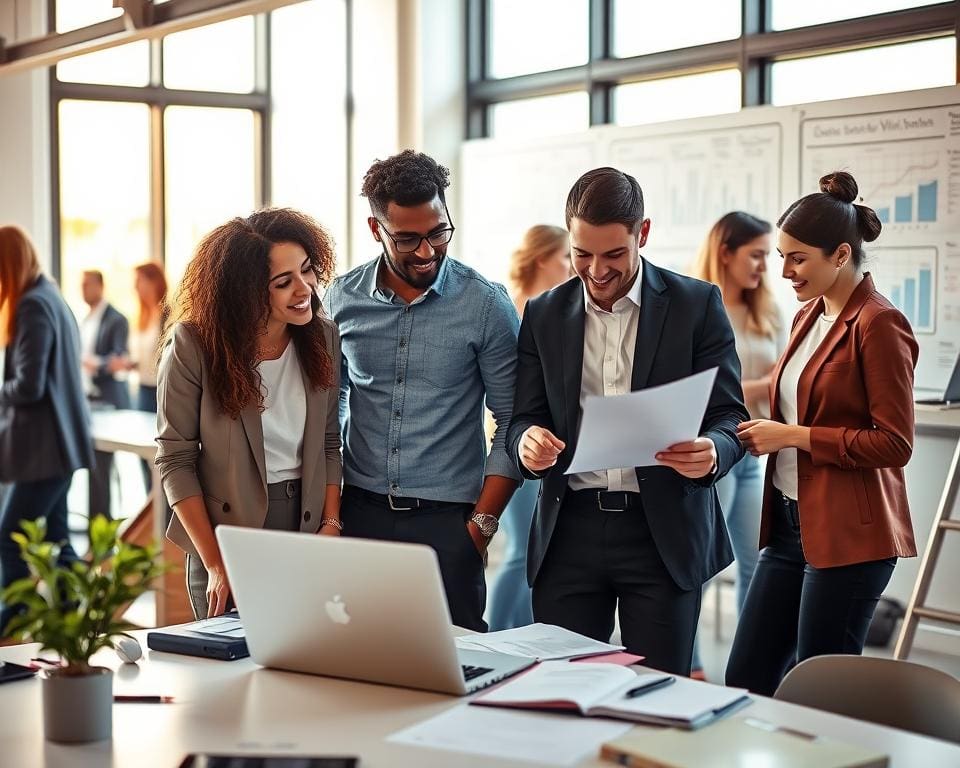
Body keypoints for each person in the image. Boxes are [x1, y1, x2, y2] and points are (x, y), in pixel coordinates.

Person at [507, 167, 748, 675]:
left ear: (644, 233)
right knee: (561, 686)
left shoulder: (696, 305)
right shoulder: (543, 314)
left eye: (614, 254)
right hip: (569, 532)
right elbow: (522, 417)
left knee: (659, 690)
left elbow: (730, 415)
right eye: (582, 253)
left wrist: (712, 450)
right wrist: (526, 441)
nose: (596, 271)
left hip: (662, 533)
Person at [726, 171, 919, 696]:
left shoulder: (880, 324)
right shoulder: (808, 315)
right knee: (746, 675)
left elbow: (894, 443)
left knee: (819, 690)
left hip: (849, 538)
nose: (784, 271)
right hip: (790, 527)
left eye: (797, 259)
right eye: (781, 256)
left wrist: (794, 436)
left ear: (840, 256)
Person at [324, 150, 522, 632]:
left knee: (455, 664)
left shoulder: (486, 305)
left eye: (438, 232)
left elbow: (512, 421)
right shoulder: (341, 299)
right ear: (376, 229)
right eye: (407, 239)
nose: (427, 251)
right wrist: (333, 516)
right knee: (355, 657)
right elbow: (330, 410)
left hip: (449, 527)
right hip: (361, 515)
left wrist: (481, 527)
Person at [156, 208, 343, 619]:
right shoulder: (194, 344)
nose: (305, 289)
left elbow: (330, 442)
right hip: (226, 538)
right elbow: (175, 460)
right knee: (235, 658)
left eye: (307, 270)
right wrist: (216, 563)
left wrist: (331, 525)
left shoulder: (324, 337)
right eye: (283, 282)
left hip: (305, 529)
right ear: (247, 292)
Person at [688, 211, 786, 677]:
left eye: (768, 256)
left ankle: (753, 664)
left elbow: (782, 379)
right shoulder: (697, 308)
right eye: (757, 255)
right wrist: (760, 386)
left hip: (754, 454)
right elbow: (702, 390)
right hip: (714, 452)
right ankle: (689, 662)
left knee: (758, 563)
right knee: (704, 564)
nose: (765, 266)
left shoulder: (767, 312)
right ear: (725, 253)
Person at [0, 226, 94, 633]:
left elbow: (29, 386)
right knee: (57, 539)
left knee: (8, 537)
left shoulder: (32, 305)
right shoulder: (52, 297)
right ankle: (76, 622)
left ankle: (13, 622)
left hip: (42, 452)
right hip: (60, 448)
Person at [488, 224, 571, 631]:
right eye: (566, 257)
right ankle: (494, 634)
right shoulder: (516, 312)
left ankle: (519, 636)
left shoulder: (555, 313)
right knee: (523, 550)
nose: (573, 266)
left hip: (547, 448)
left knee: (533, 553)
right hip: (515, 448)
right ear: (542, 259)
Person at [80, 269, 130, 521]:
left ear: (100, 286)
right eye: (81, 285)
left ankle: (103, 529)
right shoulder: (86, 319)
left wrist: (95, 364)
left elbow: (119, 358)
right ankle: (96, 530)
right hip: (88, 401)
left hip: (108, 402)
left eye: (87, 284)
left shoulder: (116, 319)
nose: (83, 290)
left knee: (101, 469)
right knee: (93, 468)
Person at [116, 261, 168, 490]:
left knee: (161, 453)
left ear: (154, 282)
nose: (135, 287)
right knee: (143, 454)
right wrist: (129, 364)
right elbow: (144, 356)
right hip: (143, 391)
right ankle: (151, 503)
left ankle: (162, 504)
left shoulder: (167, 314)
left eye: (139, 281)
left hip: (161, 393)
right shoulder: (142, 316)